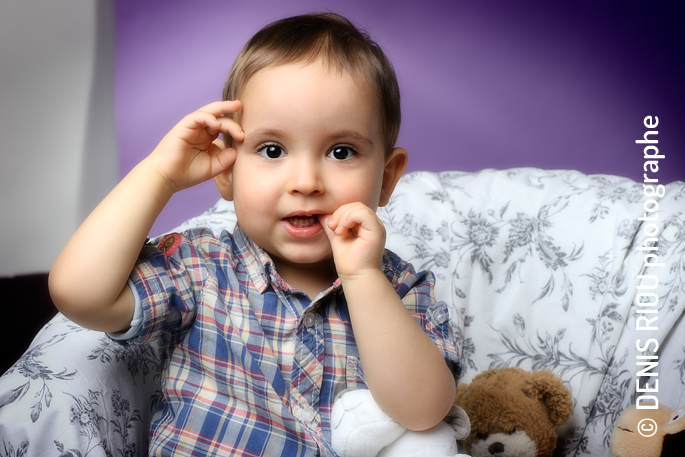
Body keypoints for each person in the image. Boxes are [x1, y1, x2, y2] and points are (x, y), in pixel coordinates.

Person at [49, 12, 461, 456]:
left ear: (387, 177)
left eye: (341, 151)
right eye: (272, 150)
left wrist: (364, 279)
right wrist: (159, 174)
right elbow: (78, 293)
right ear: (227, 171)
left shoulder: (399, 288)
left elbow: (424, 412)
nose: (305, 181)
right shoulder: (201, 267)